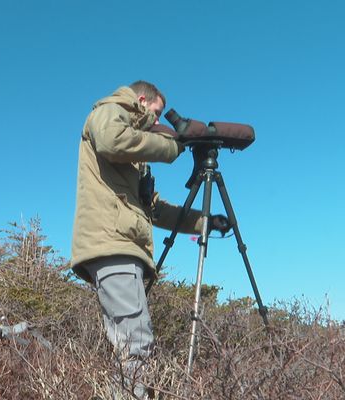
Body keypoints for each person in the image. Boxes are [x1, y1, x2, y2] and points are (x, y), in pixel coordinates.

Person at [70, 81, 229, 396]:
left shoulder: (134, 158)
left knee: (130, 347)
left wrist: (204, 222)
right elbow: (112, 141)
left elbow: (153, 208)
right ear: (141, 100)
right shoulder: (109, 111)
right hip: (113, 244)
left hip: (121, 246)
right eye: (155, 114)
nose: (157, 124)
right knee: (136, 347)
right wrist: (172, 147)